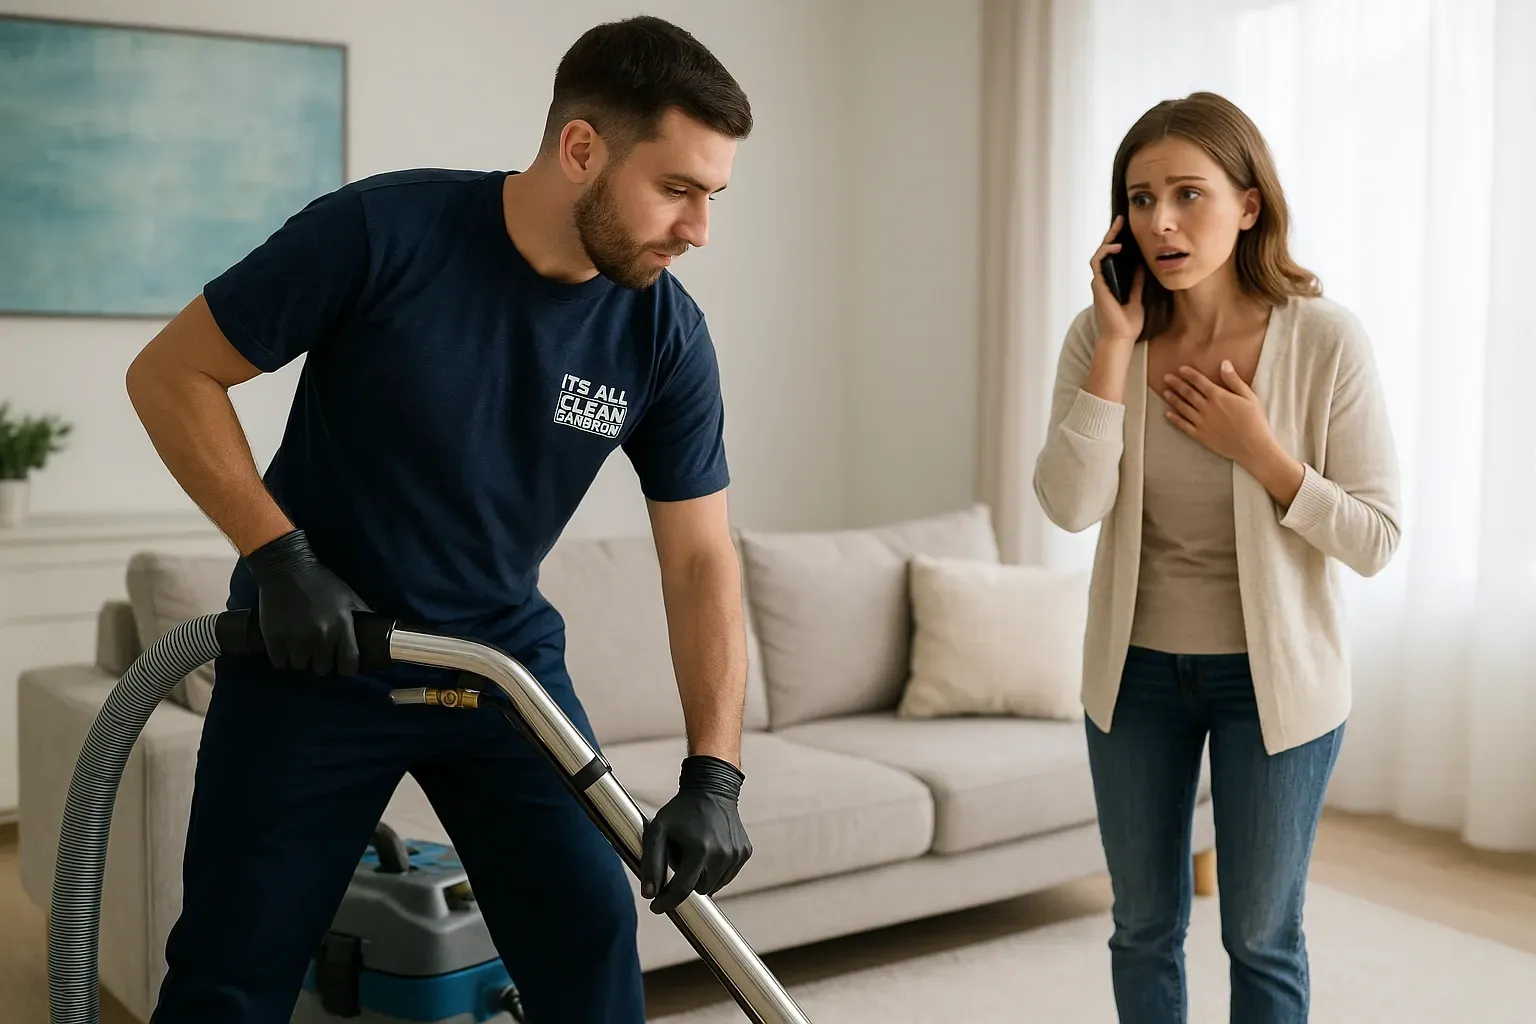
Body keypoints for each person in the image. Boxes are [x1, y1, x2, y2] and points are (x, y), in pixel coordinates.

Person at [124, 15, 756, 1024]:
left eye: (712, 196)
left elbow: (699, 563)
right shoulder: (384, 233)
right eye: (677, 189)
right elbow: (172, 373)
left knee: (591, 934)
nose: (698, 230)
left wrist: (715, 774)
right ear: (580, 148)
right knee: (230, 972)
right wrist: (278, 554)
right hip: (316, 654)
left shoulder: (664, 334)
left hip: (496, 669)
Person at [1033, 91, 1402, 1023]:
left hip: (1276, 685)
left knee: (1262, 935)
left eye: (1188, 194)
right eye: (1141, 196)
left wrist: (1265, 454)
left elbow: (1376, 539)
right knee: (1143, 926)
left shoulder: (1325, 339)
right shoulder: (1099, 335)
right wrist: (1116, 349)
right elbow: (1069, 506)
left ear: (1249, 205)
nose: (1161, 220)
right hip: (1134, 677)